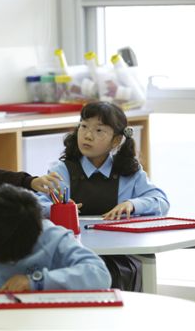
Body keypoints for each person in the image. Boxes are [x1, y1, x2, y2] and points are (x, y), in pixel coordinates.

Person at [37, 101, 169, 291]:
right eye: (83, 126)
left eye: (99, 131)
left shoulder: (128, 171)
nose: (88, 135)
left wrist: (132, 204)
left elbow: (161, 201)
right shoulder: (62, 170)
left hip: (120, 252)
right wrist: (57, 209)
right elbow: (39, 204)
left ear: (115, 141)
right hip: (72, 250)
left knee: (120, 273)